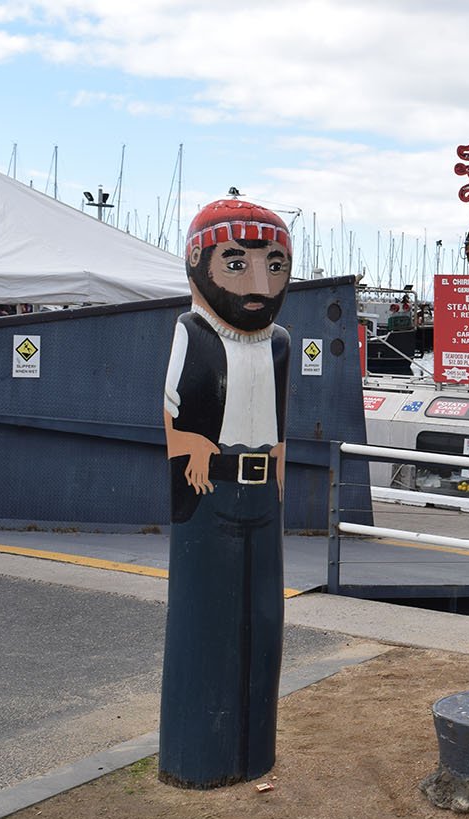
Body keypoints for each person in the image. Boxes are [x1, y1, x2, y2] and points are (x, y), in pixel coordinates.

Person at [158, 197, 293, 788]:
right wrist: (189, 452)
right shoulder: (193, 331)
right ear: (199, 264)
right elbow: (174, 411)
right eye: (237, 264)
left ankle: (253, 750)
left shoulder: (281, 342)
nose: (260, 283)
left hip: (265, 496)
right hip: (209, 489)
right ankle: (201, 755)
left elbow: (281, 424)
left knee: (264, 624)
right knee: (207, 625)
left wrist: (281, 482)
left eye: (276, 264)